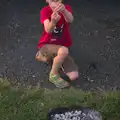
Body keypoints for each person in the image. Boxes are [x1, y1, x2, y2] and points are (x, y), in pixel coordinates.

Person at [36, 0, 79, 88]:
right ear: (47, 0)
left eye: (58, 0)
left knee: (74, 75)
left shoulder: (66, 8)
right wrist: (53, 22)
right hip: (47, 45)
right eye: (53, 1)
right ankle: (53, 74)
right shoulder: (45, 11)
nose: (56, 4)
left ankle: (54, 59)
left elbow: (70, 20)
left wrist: (64, 11)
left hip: (61, 46)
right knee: (64, 51)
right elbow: (48, 30)